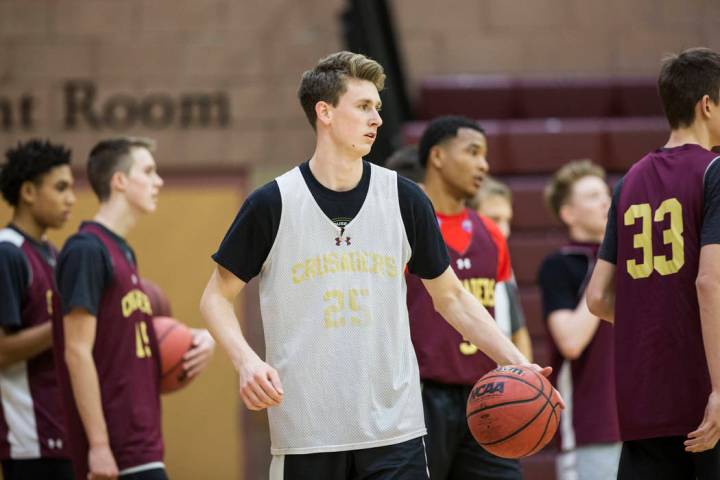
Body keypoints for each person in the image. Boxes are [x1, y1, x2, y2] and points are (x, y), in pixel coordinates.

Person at [199, 51, 556, 480]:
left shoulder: (405, 199)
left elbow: (453, 300)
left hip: (396, 431)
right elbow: (215, 297)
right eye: (364, 106)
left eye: (378, 108)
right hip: (307, 431)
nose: (377, 119)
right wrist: (246, 362)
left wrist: (519, 363)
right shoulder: (272, 202)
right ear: (325, 112)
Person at [587, 47, 720, 479]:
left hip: (644, 399)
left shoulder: (629, 180)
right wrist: (719, 389)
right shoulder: (714, 172)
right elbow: (709, 284)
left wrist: (655, 320)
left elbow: (597, 298)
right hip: (705, 402)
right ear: (707, 104)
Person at [55, 137, 215, 480]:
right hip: (114, 451)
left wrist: (194, 340)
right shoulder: (87, 250)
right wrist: (98, 446)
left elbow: (125, 352)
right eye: (149, 171)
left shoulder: (123, 253)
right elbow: (77, 352)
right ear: (120, 181)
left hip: (142, 445)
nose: (159, 181)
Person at [399, 115, 520, 479]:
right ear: (437, 156)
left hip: (484, 395)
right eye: (473, 152)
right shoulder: (401, 222)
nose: (484, 164)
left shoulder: (490, 233)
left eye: (485, 155)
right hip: (420, 395)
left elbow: (509, 318)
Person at [537, 160, 620, 480]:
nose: (605, 202)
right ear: (568, 213)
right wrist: (607, 263)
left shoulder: (634, 258)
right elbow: (571, 341)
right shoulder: (559, 266)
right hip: (591, 426)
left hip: (643, 421)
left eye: (606, 194)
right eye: (592, 196)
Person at [0, 139, 76, 480]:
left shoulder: (53, 254)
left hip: (63, 431)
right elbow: (1, 351)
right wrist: (66, 324)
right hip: (28, 439)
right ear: (28, 191)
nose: (70, 199)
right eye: (60, 188)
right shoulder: (7, 252)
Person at [469, 176, 533, 360]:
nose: (504, 231)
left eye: (507, 221)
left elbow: (518, 331)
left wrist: (527, 378)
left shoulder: (503, 266)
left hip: (498, 379)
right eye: (494, 219)